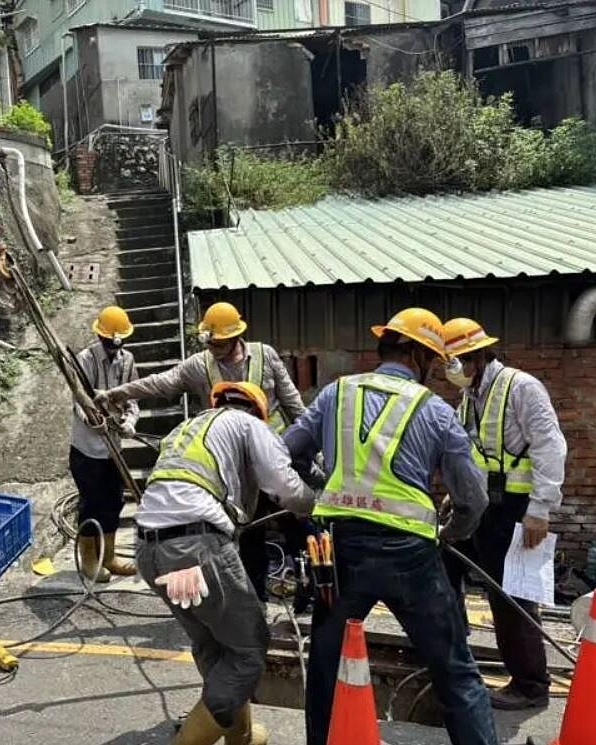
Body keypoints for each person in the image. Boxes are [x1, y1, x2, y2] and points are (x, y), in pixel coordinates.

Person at [283, 308, 498, 745]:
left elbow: (287, 454)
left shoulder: (335, 394)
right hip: (411, 556)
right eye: (433, 360)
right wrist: (453, 533)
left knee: (325, 668)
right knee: (454, 671)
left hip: (341, 552)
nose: (434, 370)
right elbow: (473, 497)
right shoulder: (435, 411)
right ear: (419, 356)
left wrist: (321, 489)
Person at [135, 381, 315, 745]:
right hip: (197, 546)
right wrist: (318, 503)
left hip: (149, 550)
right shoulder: (249, 424)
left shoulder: (187, 428)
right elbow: (284, 487)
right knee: (248, 649)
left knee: (214, 645)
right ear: (259, 412)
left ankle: (241, 737)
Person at [96, 301, 306, 601]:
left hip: (275, 453)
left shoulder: (265, 355)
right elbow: (160, 383)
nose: (213, 348)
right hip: (237, 467)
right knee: (250, 532)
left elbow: (293, 403)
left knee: (295, 523)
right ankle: (254, 598)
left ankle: (308, 587)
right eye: (210, 342)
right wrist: (116, 394)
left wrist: (311, 447)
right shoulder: (199, 366)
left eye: (219, 342)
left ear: (236, 336)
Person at [441, 316, 567, 711]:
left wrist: (540, 509)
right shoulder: (471, 396)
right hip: (481, 506)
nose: (450, 370)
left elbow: (550, 445)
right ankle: (455, 656)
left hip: (515, 509)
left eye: (454, 361)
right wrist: (454, 495)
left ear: (476, 357)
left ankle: (530, 685)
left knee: (511, 595)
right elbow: (470, 452)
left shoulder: (521, 388)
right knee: (445, 564)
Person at [70, 306, 139, 582]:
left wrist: (130, 422)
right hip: (87, 449)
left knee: (113, 501)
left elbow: (133, 397)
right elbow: (78, 401)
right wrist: (92, 420)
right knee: (92, 503)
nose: (113, 348)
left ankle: (108, 556)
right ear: (100, 337)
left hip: (114, 449)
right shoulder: (85, 360)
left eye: (117, 343)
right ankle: (89, 559)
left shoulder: (128, 360)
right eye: (109, 342)